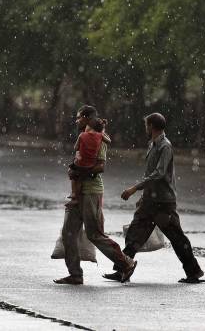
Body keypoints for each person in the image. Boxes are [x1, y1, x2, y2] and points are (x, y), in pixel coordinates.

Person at [103, 112, 205, 284]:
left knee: (177, 238)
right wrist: (144, 196)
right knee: (134, 234)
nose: (145, 128)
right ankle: (122, 269)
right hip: (150, 201)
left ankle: (194, 272)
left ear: (151, 126)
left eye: (146, 125)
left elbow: (158, 173)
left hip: (164, 203)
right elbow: (151, 174)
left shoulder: (165, 146)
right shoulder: (153, 145)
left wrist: (134, 188)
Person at [54, 105, 137, 285]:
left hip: (91, 191)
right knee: (68, 233)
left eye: (78, 118)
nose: (76, 121)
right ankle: (75, 274)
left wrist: (79, 172)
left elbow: (101, 166)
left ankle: (126, 263)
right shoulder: (82, 137)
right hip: (77, 192)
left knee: (95, 234)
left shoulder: (100, 139)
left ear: (86, 118)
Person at [65, 117, 111, 207]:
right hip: (90, 165)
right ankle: (75, 197)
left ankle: (74, 194)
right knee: (80, 179)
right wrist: (102, 134)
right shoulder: (100, 136)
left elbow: (75, 148)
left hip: (80, 164)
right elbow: (109, 141)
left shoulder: (82, 135)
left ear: (89, 127)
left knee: (72, 173)